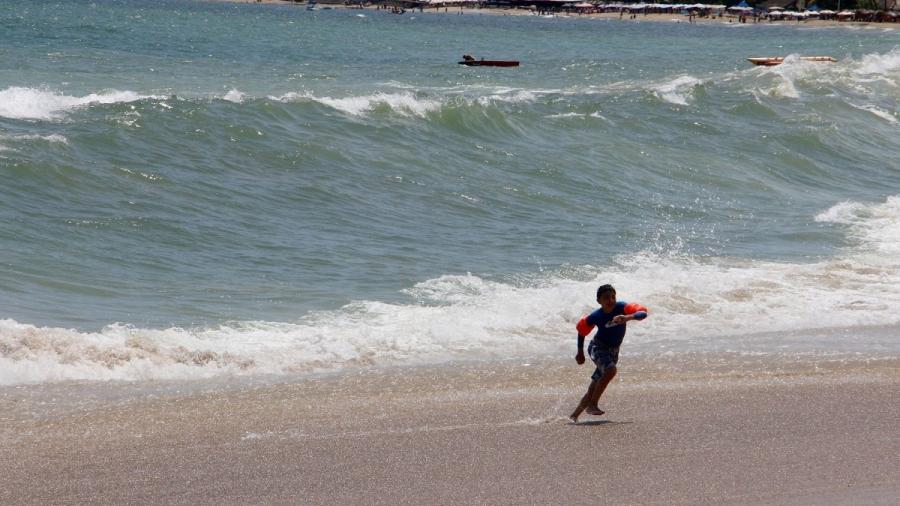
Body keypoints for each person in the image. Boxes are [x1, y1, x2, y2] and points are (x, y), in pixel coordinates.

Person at [569, 284, 648, 422]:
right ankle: (592, 405)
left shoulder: (621, 307)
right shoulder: (597, 315)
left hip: (613, 351)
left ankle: (574, 416)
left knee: (595, 385)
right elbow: (581, 329)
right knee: (611, 370)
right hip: (597, 348)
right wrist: (580, 351)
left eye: (613, 297)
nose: (610, 300)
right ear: (599, 301)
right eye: (606, 298)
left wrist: (627, 317)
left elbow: (643, 313)